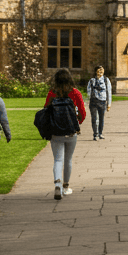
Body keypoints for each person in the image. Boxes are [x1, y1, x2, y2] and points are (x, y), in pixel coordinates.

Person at [45, 69, 87, 200]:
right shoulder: (75, 93)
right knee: (68, 159)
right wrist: (75, 123)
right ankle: (66, 186)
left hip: (56, 132)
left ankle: (57, 184)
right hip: (70, 132)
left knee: (58, 159)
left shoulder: (52, 93)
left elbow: (46, 111)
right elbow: (82, 113)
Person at [86, 65, 112, 140]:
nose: (100, 72)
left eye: (102, 70)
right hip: (93, 101)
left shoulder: (106, 80)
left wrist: (109, 103)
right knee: (94, 118)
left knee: (101, 118)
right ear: (96, 71)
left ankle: (100, 133)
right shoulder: (92, 81)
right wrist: (87, 102)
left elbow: (109, 92)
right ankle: (95, 134)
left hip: (102, 102)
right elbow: (88, 92)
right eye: (99, 70)